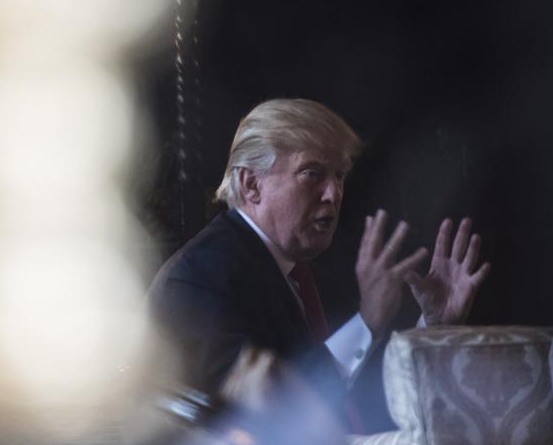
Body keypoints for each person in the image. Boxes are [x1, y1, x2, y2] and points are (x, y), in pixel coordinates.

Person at [148, 98, 491, 422]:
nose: (334, 194)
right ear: (251, 184)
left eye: (339, 176)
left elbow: (369, 400)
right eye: (312, 173)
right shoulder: (200, 279)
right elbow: (269, 415)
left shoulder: (310, 274)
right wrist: (368, 320)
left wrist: (432, 326)